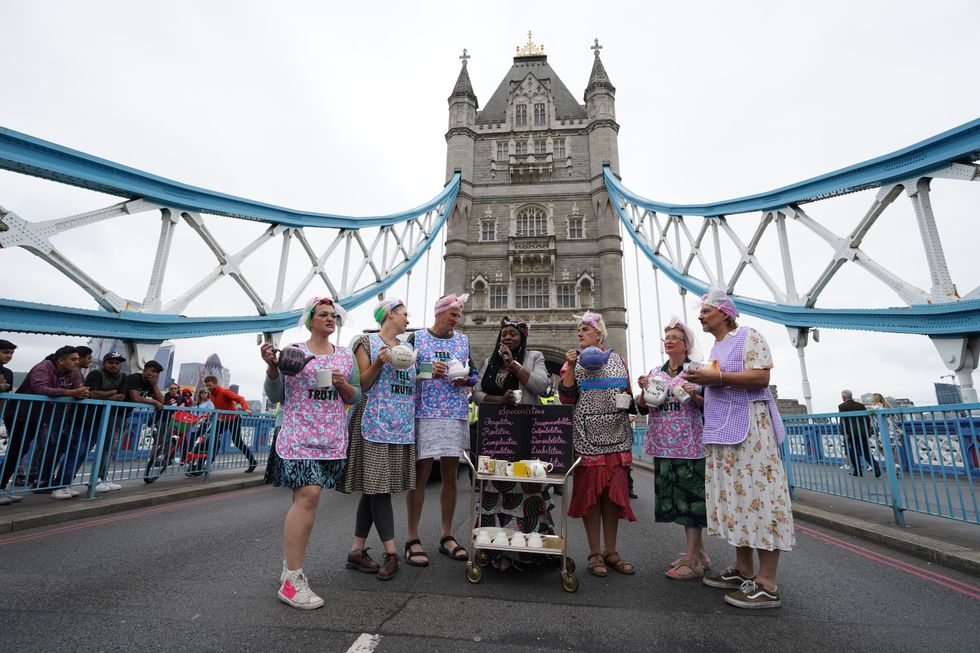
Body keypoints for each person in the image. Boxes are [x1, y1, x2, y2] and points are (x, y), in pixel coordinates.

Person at [682, 288, 794, 609]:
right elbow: (719, 391)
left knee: (761, 498)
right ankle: (744, 570)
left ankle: (767, 583)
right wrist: (696, 390)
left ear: (725, 313)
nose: (700, 316)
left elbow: (760, 377)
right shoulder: (717, 346)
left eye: (706, 311)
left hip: (751, 432)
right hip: (722, 432)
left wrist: (714, 376)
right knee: (737, 500)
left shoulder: (749, 336)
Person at [261, 296, 361, 610]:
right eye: (323, 314)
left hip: (330, 438)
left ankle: (290, 565)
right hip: (297, 434)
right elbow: (276, 394)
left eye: (334, 315)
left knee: (306, 501)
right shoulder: (293, 351)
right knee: (308, 496)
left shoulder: (345, 357)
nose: (331, 319)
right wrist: (272, 368)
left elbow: (356, 396)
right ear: (310, 320)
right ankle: (292, 580)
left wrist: (343, 385)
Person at [339, 298, 416, 581]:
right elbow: (363, 383)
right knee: (379, 488)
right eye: (404, 314)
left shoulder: (408, 349)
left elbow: (410, 385)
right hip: (372, 421)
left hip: (399, 424)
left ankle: (356, 550)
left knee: (373, 488)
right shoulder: (365, 343)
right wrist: (380, 363)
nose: (408, 319)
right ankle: (391, 553)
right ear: (390, 315)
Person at [558, 311, 637, 578]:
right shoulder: (572, 362)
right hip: (587, 437)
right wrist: (569, 367)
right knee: (591, 496)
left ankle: (611, 551)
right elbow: (567, 399)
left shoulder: (619, 359)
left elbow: (627, 395)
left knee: (613, 497)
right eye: (579, 330)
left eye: (585, 329)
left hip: (617, 436)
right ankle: (594, 553)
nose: (579, 333)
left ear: (599, 333)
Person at [473, 317, 555, 570]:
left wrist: (514, 365)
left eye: (513, 335)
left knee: (527, 487)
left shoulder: (535, 357)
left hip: (526, 432)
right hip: (497, 433)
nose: (507, 338)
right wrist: (500, 399)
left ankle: (528, 552)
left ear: (522, 339)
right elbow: (476, 394)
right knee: (496, 488)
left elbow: (543, 387)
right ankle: (494, 549)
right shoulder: (489, 362)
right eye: (504, 334)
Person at [404, 293, 477, 566]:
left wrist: (466, 379)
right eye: (453, 315)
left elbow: (474, 374)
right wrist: (426, 369)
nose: (456, 321)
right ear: (439, 313)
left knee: (451, 473)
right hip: (424, 412)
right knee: (421, 473)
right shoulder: (416, 338)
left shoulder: (463, 341)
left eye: (459, 316)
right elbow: (403, 371)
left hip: (454, 412)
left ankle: (447, 535)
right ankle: (413, 537)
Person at [636, 317, 708, 580]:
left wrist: (694, 394)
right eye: (666, 338)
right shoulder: (657, 372)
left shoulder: (697, 370)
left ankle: (692, 561)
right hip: (662, 443)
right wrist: (644, 391)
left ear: (685, 344)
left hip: (689, 445)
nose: (668, 341)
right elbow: (644, 407)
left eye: (674, 338)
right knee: (677, 503)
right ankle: (698, 553)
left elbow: (707, 404)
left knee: (690, 503)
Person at [1, 346, 90, 500]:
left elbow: (78, 388)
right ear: (61, 360)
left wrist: (82, 392)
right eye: (73, 359)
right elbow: (41, 388)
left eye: (77, 359)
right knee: (18, 449)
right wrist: (71, 393)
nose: (77, 362)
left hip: (39, 415)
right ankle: (1, 487)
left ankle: (2, 487)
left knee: (21, 449)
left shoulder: (73, 372)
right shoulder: (42, 367)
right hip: (20, 414)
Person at [83, 351, 128, 492]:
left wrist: (103, 396)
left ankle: (100, 478)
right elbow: (93, 394)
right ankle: (62, 483)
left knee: (108, 449)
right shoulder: (95, 374)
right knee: (81, 449)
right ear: (104, 363)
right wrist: (112, 393)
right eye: (111, 362)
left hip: (111, 418)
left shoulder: (123, 377)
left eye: (117, 363)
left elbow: (121, 397)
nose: (114, 365)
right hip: (90, 418)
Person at [204, 375, 258, 472]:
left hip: (234, 419)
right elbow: (217, 407)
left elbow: (240, 398)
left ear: (216, 384)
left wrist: (245, 408)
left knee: (237, 442)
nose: (208, 388)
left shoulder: (224, 392)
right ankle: (207, 464)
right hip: (221, 420)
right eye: (207, 386)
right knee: (211, 437)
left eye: (210, 385)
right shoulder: (211, 394)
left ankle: (253, 461)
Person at [839, 390, 880, 478]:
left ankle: (857, 471)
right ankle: (876, 467)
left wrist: (844, 432)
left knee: (853, 452)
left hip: (851, 433)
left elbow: (844, 420)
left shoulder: (842, 406)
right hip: (862, 432)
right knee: (865, 451)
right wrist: (868, 430)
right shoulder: (860, 405)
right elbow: (867, 418)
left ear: (843, 397)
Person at [869, 393, 902, 477]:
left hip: (883, 431)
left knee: (881, 448)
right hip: (893, 431)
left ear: (874, 399)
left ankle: (893, 466)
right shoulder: (888, 406)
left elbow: (874, 422)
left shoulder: (874, 407)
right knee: (893, 450)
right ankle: (896, 468)